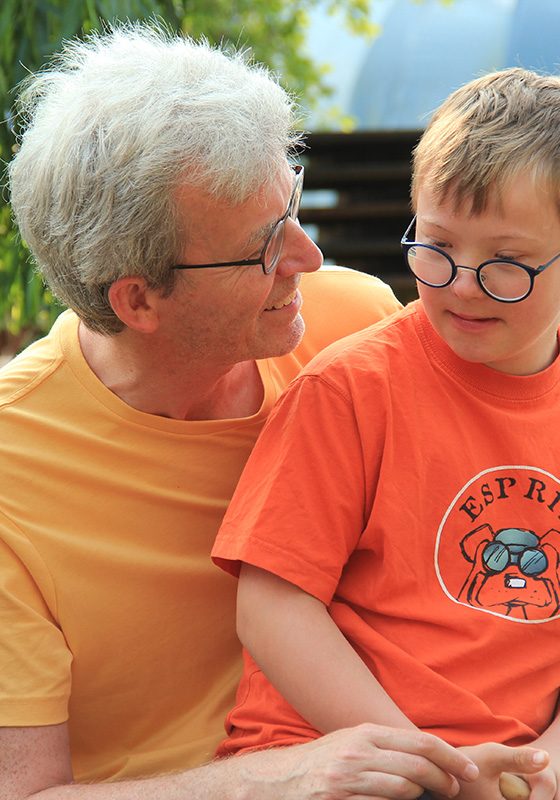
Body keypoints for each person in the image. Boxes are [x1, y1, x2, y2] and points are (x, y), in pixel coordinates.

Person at [0, 18, 491, 800]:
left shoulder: (357, 326)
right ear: (139, 299)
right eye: (265, 246)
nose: (309, 256)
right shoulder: (12, 479)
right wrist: (272, 779)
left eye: (291, 205)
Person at [212, 67, 560, 800]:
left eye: (507, 262)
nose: (463, 282)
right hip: (334, 754)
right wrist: (436, 769)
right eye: (436, 245)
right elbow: (271, 609)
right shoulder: (350, 391)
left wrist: (548, 764)